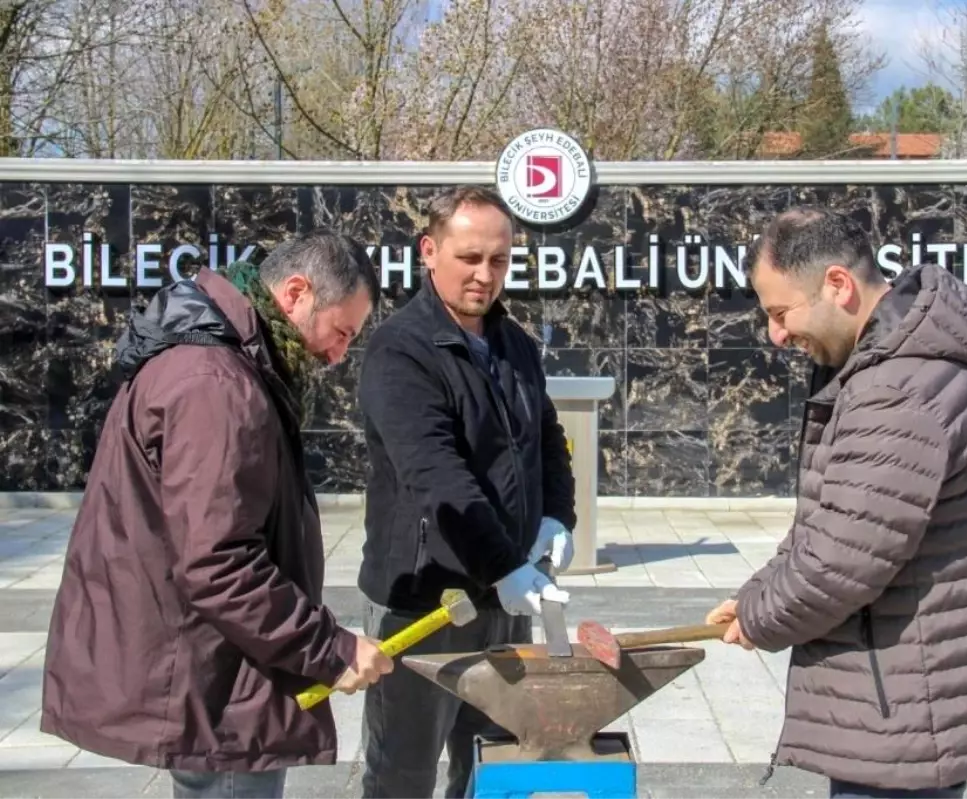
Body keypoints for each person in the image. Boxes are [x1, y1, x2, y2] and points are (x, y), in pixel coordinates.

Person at [40, 229, 395, 799]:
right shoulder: (216, 383)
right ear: (296, 293)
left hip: (216, 668)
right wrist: (331, 648)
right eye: (340, 332)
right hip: (219, 685)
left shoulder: (223, 364)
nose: (338, 355)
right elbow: (220, 565)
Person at [706, 207, 967, 799]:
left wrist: (761, 618)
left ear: (837, 285)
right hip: (909, 699)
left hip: (909, 709)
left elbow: (840, 564)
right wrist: (755, 593)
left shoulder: (897, 390)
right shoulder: (891, 369)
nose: (776, 335)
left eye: (781, 313)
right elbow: (831, 523)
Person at [356, 185, 576, 799]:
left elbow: (548, 438)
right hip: (423, 601)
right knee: (403, 770)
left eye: (499, 260)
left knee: (495, 762)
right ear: (429, 251)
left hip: (506, 602)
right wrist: (502, 563)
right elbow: (434, 471)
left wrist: (558, 518)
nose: (485, 275)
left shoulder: (515, 345)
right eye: (470, 257)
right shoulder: (400, 350)